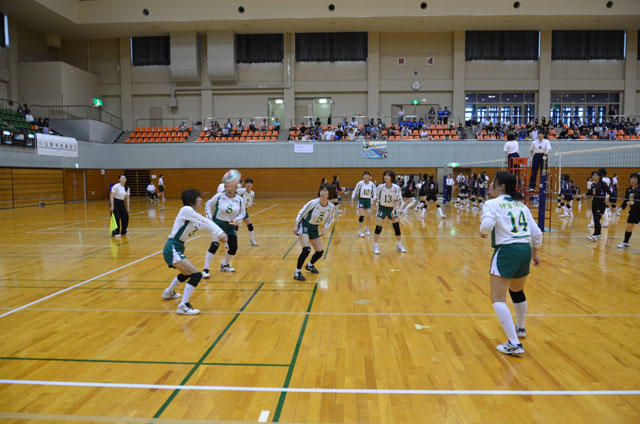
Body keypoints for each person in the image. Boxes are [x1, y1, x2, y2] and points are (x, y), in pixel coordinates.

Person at [479, 171, 542, 355]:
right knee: (517, 291)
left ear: (501, 186)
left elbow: (486, 226)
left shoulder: (492, 204)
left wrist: (482, 231)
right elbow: (537, 233)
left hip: (507, 251)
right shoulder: (521, 205)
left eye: (493, 182)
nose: (490, 185)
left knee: (498, 299)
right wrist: (535, 254)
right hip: (525, 250)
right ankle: (520, 327)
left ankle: (514, 343)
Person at [161, 189, 227, 315]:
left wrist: (218, 230)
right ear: (191, 200)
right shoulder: (186, 210)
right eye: (198, 197)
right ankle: (183, 305)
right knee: (196, 275)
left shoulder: (191, 215)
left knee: (186, 273)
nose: (201, 199)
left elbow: (204, 225)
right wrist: (219, 232)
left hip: (177, 247)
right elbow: (204, 221)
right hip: (172, 247)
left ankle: (168, 292)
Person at [203, 172, 247, 276]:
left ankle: (225, 265)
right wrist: (209, 217)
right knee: (215, 245)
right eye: (228, 187)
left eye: (232, 187)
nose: (230, 189)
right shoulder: (219, 196)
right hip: (218, 224)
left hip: (231, 225)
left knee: (233, 247)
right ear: (225, 187)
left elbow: (243, 212)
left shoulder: (239, 200)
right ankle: (205, 269)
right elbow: (208, 204)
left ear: (236, 188)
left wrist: (237, 219)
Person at [292, 184, 335, 281]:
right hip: (305, 224)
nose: (322, 192)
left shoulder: (331, 207)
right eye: (321, 190)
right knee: (306, 249)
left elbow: (329, 219)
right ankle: (297, 272)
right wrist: (296, 225)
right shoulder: (313, 203)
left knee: (319, 252)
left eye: (325, 191)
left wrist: (325, 229)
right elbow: (301, 212)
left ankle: (310, 265)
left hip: (315, 227)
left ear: (329, 193)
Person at [372, 170, 406, 254]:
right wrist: (373, 207)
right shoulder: (380, 187)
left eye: (388, 175)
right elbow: (375, 198)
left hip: (392, 209)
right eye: (385, 175)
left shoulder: (396, 188)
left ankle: (399, 245)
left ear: (392, 177)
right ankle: (375, 246)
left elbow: (396, 200)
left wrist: (394, 210)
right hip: (382, 208)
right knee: (378, 228)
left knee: (396, 227)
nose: (385, 177)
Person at [586, 170, 610, 241]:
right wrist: (583, 195)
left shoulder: (603, 184)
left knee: (596, 219)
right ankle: (597, 235)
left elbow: (609, 192)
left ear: (599, 177)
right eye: (593, 175)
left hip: (601, 204)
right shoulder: (593, 184)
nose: (594, 177)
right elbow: (590, 192)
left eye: (596, 175)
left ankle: (597, 235)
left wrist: (607, 198)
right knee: (596, 219)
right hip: (594, 203)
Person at [617, 173, 640, 248]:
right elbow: (626, 200)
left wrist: (634, 202)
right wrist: (621, 208)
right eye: (631, 178)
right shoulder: (628, 189)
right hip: (633, 211)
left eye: (634, 178)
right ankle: (626, 242)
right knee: (628, 228)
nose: (632, 180)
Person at [352, 170, 377, 237]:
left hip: (368, 201)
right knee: (362, 216)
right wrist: (352, 199)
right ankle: (360, 231)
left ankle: (367, 228)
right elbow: (355, 191)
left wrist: (375, 202)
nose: (366, 178)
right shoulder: (360, 183)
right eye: (364, 177)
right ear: (363, 177)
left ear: (370, 177)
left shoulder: (372, 184)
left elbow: (375, 193)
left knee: (369, 215)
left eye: (367, 177)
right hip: (361, 200)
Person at [237, 178, 259, 246]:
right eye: (247, 183)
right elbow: (232, 195)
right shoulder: (241, 191)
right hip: (237, 211)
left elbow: (249, 202)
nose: (248, 184)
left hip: (244, 211)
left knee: (250, 225)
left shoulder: (252, 193)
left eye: (250, 183)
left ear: (252, 184)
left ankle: (252, 241)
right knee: (234, 228)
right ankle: (228, 243)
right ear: (245, 184)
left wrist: (252, 203)